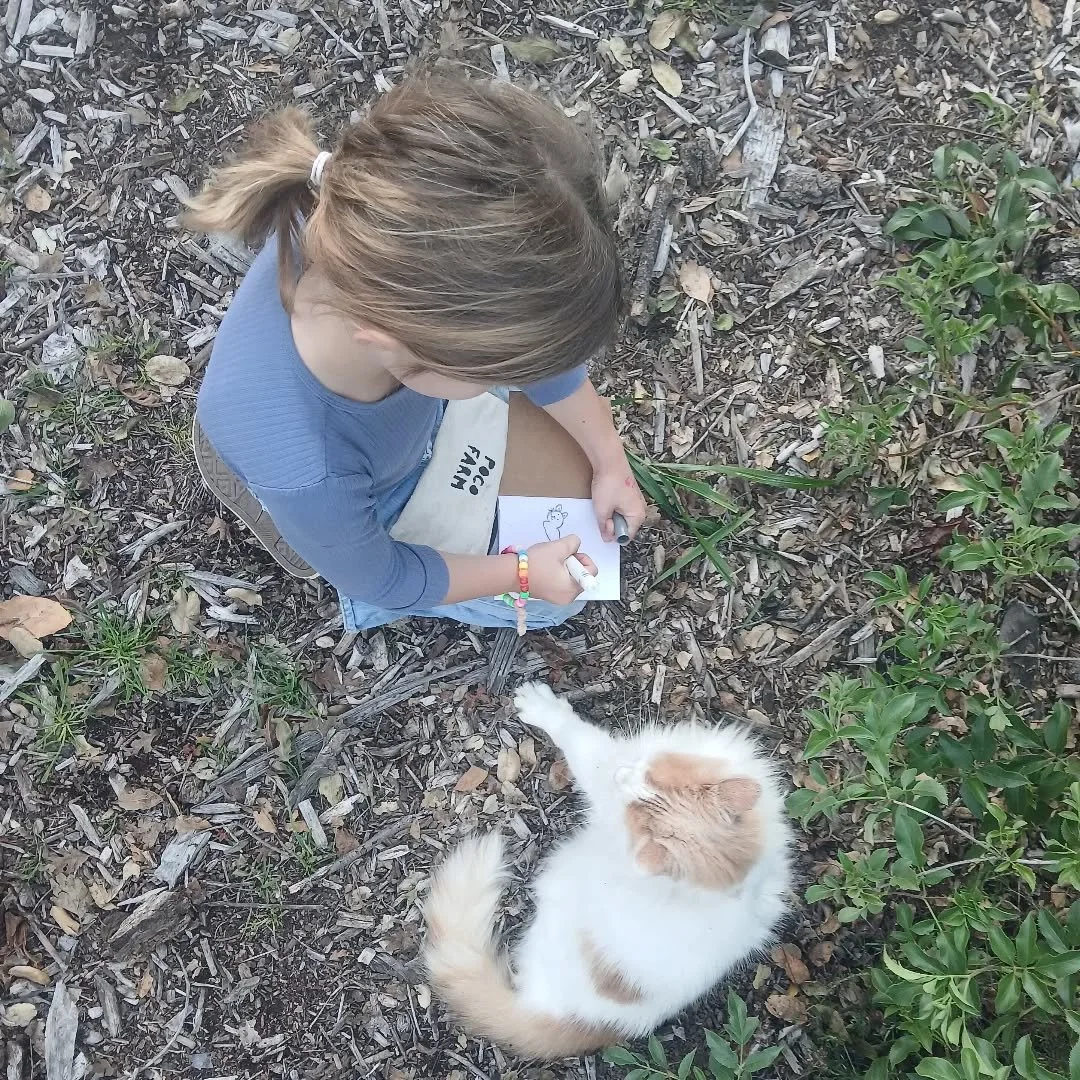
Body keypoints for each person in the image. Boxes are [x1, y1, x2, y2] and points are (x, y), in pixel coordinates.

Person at [186, 74, 647, 633]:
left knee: (566, 479)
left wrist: (609, 459)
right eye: (496, 370)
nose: (522, 378)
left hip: (398, 428)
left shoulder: (376, 222)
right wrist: (521, 574)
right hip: (364, 498)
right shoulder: (309, 467)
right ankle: (304, 548)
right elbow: (382, 577)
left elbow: (536, 353)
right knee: (559, 600)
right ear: (395, 345)